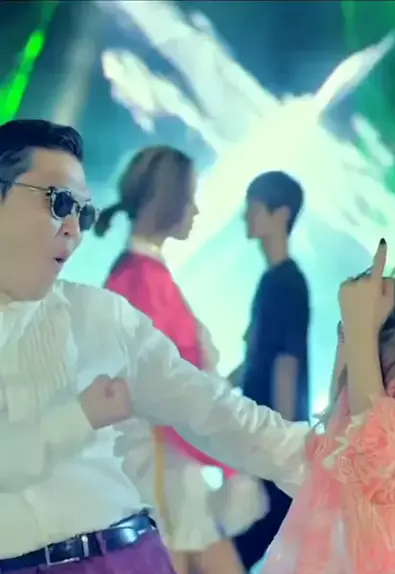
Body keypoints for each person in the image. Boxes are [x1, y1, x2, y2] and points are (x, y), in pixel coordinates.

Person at [0, 118, 308, 574]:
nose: (74, 229)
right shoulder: (136, 281)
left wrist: (330, 461)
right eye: (59, 202)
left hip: (135, 547)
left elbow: (205, 404)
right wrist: (78, 418)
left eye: (83, 213)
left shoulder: (102, 313)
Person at [260, 119, 395, 574]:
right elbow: (340, 428)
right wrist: (357, 333)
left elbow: (379, 459)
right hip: (354, 543)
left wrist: (360, 329)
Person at [94, 146, 267, 574]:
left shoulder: (141, 277)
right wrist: (226, 456)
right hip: (157, 462)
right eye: (189, 198)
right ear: (167, 200)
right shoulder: (141, 282)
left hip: (167, 461)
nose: (195, 209)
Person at [234, 171, 309, 571]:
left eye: (254, 207)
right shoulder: (271, 280)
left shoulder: (288, 284)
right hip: (258, 437)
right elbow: (256, 356)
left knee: (238, 547)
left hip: (270, 443)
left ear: (280, 215)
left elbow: (286, 365)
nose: (246, 215)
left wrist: (282, 445)